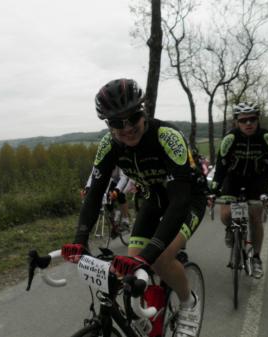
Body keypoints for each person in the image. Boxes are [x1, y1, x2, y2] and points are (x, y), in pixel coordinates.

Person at [71, 78, 207, 337]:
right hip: (154, 200)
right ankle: (151, 318)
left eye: (132, 117)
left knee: (161, 259)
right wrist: (79, 238)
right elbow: (94, 194)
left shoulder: (167, 137)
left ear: (142, 111)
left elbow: (178, 202)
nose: (127, 128)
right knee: (128, 267)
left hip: (187, 200)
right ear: (108, 125)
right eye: (116, 123)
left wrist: (151, 254)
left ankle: (189, 304)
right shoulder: (108, 145)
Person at [209, 102, 268, 279]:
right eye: (243, 120)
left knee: (256, 218)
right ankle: (230, 230)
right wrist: (213, 191)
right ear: (236, 122)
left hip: (257, 179)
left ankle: (256, 258)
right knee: (225, 215)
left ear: (258, 119)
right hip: (233, 178)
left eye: (252, 119)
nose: (248, 123)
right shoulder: (229, 139)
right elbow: (220, 167)